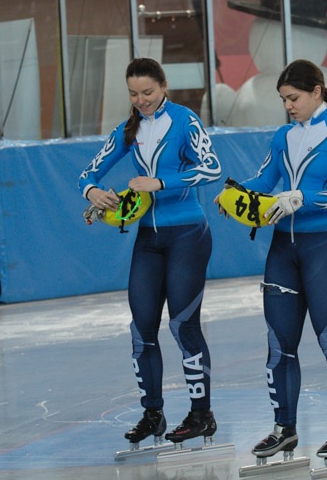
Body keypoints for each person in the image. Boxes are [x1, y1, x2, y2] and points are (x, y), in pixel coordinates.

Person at [78, 57, 223, 448]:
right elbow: (87, 174)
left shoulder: (185, 120)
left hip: (187, 235)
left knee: (182, 325)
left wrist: (160, 181)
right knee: (141, 330)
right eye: (133, 94)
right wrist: (94, 193)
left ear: (163, 86)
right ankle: (152, 414)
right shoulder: (129, 128)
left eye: (147, 92)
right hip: (148, 238)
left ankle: (200, 414)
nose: (141, 100)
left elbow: (210, 168)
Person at [230, 59, 327, 464]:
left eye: (294, 97)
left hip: (325, 249)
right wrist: (235, 195)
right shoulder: (283, 137)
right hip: (283, 252)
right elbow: (264, 181)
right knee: (279, 345)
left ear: (317, 92)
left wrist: (304, 197)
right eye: (284, 99)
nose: (289, 105)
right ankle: (284, 429)